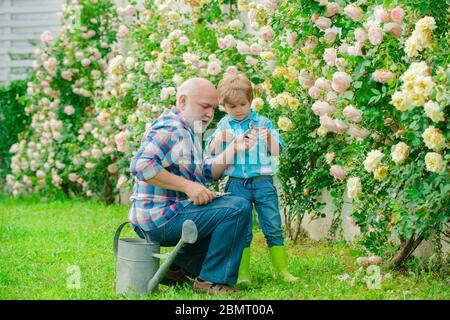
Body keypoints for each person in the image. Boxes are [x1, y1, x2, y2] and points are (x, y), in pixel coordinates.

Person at [128, 77, 258, 295]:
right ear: (182, 101)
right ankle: (210, 281)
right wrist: (188, 187)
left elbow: (205, 172)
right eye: (204, 106)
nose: (209, 113)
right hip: (159, 218)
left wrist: (234, 148)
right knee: (236, 209)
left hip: (166, 214)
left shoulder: (188, 129)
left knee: (226, 211)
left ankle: (175, 269)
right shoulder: (171, 128)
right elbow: (141, 166)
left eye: (213, 108)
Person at [206, 74, 298, 284]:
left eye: (242, 104)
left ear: (250, 100)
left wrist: (267, 136)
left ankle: (281, 270)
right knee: (242, 228)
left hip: (263, 182)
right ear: (223, 106)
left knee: (273, 225)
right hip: (236, 183)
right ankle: (243, 273)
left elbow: (277, 151)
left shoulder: (262, 122)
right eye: (231, 106)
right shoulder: (223, 125)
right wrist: (220, 138)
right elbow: (209, 151)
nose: (238, 110)